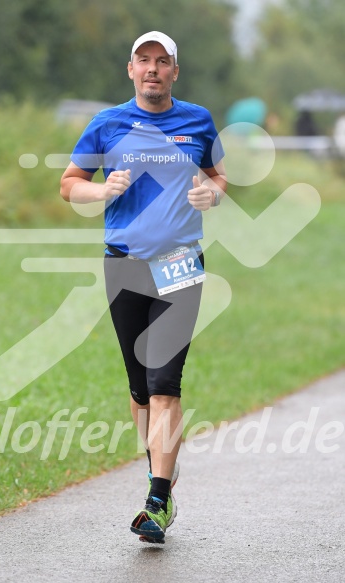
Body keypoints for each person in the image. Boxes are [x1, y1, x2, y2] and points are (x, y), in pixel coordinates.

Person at [60, 30, 227, 544]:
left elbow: (219, 177)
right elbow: (69, 183)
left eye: (162, 62)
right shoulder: (106, 124)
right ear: (130, 70)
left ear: (175, 71)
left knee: (164, 383)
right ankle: (162, 466)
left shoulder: (197, 120)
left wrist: (211, 194)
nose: (153, 69)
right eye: (144, 61)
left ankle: (157, 500)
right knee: (138, 389)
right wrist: (99, 188)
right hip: (125, 266)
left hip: (180, 264)